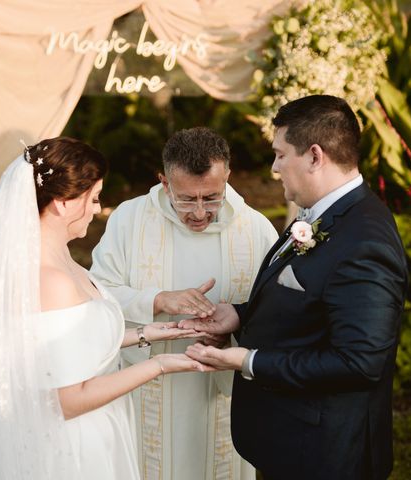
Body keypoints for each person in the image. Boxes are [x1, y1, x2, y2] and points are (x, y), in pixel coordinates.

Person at [181, 95, 409, 480]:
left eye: (280, 154)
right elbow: (308, 302)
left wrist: (247, 361)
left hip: (324, 454)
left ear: (315, 156)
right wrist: (239, 313)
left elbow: (359, 362)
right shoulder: (323, 213)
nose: (273, 168)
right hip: (292, 441)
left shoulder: (364, 240)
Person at [0, 137, 211, 479]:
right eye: (94, 198)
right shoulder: (50, 280)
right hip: (73, 447)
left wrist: (152, 333)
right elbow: (69, 399)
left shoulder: (65, 261)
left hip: (100, 427)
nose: (98, 208)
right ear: (62, 203)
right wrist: (160, 365)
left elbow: (76, 345)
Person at [90, 127, 278, 480]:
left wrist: (232, 334)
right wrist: (158, 299)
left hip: (219, 388)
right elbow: (97, 294)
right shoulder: (129, 220)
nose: (200, 212)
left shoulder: (257, 229)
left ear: (228, 178)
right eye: (187, 199)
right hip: (146, 387)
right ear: (164, 182)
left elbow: (274, 311)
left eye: (211, 197)